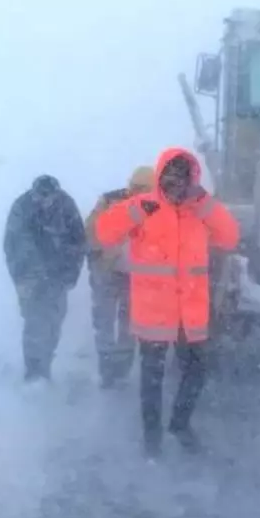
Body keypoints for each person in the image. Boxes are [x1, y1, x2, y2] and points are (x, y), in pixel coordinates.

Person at [95, 147, 239, 455]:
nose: (176, 187)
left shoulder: (200, 211)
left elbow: (230, 237)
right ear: (161, 178)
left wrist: (205, 203)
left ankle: (180, 424)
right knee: (152, 382)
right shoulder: (143, 207)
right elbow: (105, 234)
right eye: (171, 180)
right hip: (153, 315)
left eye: (183, 180)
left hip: (191, 316)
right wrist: (135, 210)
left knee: (197, 372)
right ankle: (152, 440)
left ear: (192, 181)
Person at [3, 174, 86, 381]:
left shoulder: (67, 206)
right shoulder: (21, 208)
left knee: (54, 322)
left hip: (58, 276)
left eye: (48, 197)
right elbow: (12, 246)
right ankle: (33, 371)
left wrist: (70, 276)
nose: (44, 201)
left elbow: (79, 242)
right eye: (40, 197)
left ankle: (46, 363)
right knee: (33, 321)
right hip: (29, 276)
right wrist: (21, 279)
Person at [85, 166, 155, 388]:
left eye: (144, 189)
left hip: (137, 277)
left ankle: (122, 370)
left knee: (129, 326)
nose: (138, 192)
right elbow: (91, 232)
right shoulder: (110, 202)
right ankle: (106, 370)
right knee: (104, 321)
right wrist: (101, 256)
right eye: (136, 187)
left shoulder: (159, 209)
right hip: (108, 272)